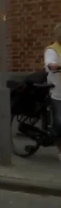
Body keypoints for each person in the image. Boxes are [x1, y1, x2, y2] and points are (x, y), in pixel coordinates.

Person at [43, 23, 61, 162]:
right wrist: (55, 65)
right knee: (59, 122)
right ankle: (60, 149)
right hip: (57, 92)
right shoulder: (52, 50)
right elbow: (50, 64)